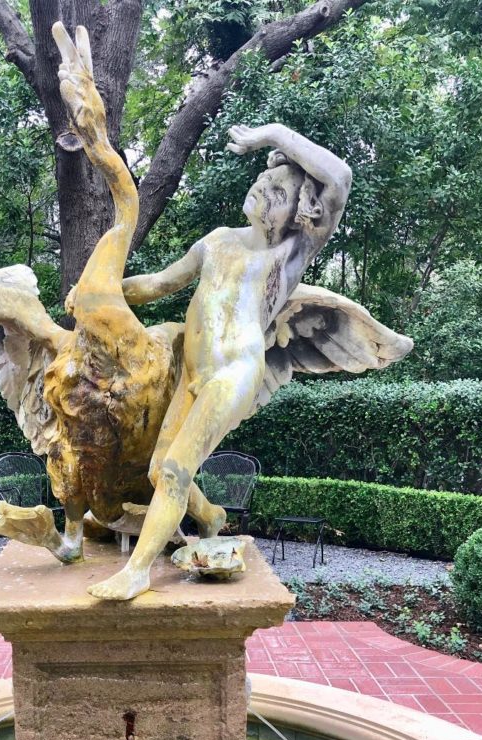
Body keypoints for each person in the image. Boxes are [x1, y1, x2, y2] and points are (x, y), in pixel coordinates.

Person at [88, 124, 352, 600]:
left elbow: (340, 176)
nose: (261, 189)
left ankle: (138, 570)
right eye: (263, 182)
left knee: (173, 471)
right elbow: (159, 284)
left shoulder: (288, 253)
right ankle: (210, 516)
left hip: (234, 372)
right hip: (192, 374)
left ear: (300, 213)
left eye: (276, 192)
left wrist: (270, 135)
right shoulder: (216, 241)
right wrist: (102, 291)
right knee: (157, 471)